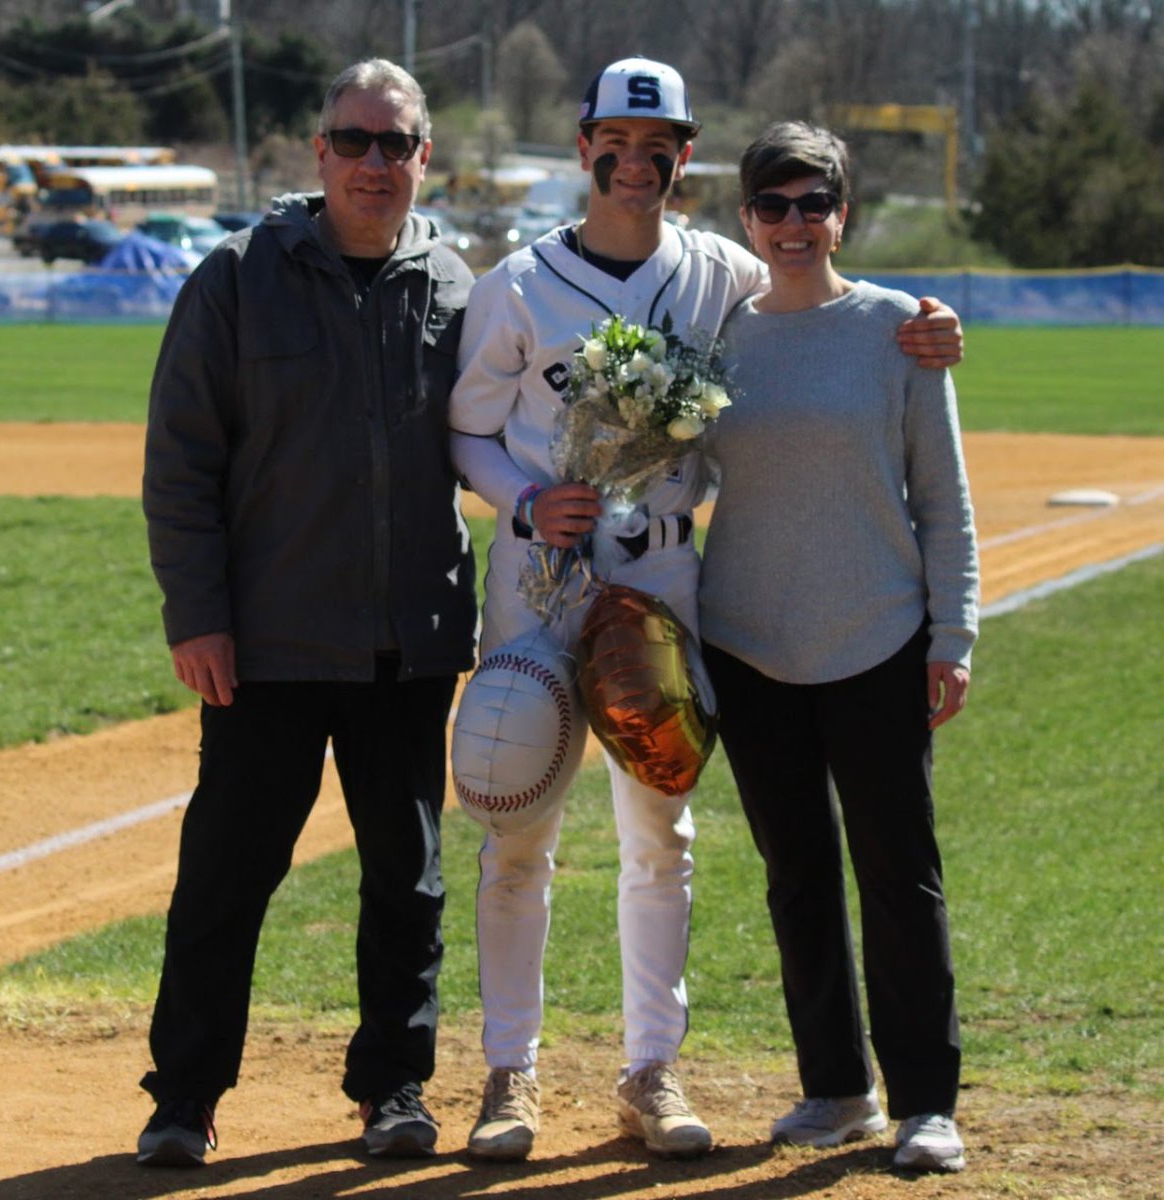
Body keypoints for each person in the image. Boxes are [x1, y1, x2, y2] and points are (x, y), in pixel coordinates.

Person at [448, 57, 964, 1163]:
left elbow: (815, 291)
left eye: (659, 147)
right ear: (584, 142)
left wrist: (927, 325)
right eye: (615, 144)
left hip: (668, 579)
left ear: (684, 160)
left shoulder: (718, 272)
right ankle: (509, 1072)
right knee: (517, 823)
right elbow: (467, 427)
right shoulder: (520, 281)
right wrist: (525, 501)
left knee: (659, 832)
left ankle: (651, 1068)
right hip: (539, 579)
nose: (634, 164)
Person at [137, 58, 476, 1166]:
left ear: (425, 158)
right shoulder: (237, 276)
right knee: (227, 874)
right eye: (354, 140)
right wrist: (198, 613)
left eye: (397, 144)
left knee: (406, 881)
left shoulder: (460, 287)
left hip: (407, 644)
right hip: (269, 643)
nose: (375, 163)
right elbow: (182, 459)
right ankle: (183, 1096)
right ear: (316, 152)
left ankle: (395, 1086)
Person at [698, 121, 978, 1174]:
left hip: (877, 638)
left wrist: (952, 632)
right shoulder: (721, 337)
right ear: (747, 220)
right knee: (796, 874)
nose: (794, 223)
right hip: (747, 644)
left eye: (814, 203)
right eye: (773, 205)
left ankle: (926, 1103)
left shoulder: (901, 330)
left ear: (842, 213)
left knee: (900, 875)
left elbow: (943, 502)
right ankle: (835, 1087)